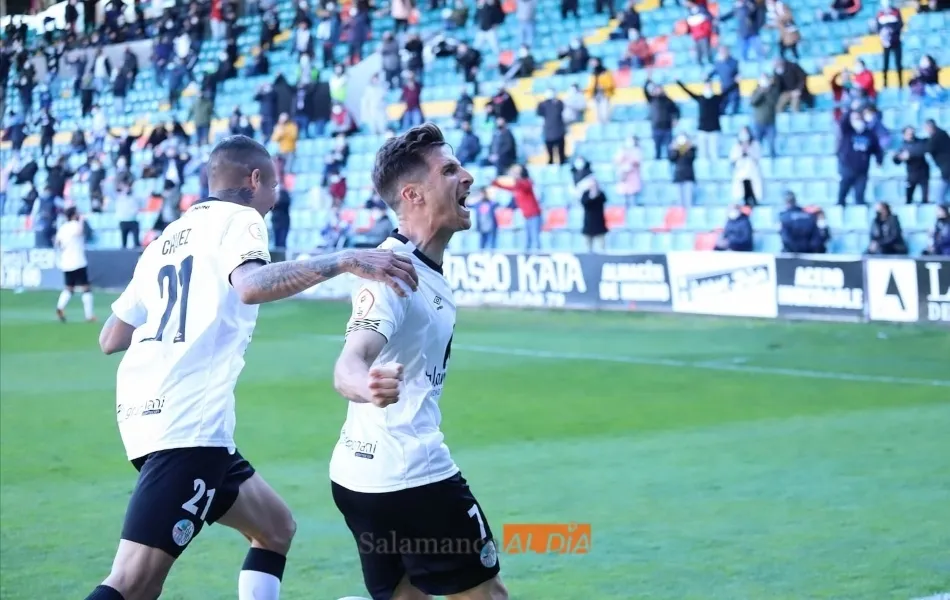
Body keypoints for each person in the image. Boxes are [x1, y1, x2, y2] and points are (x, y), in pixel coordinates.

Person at [85, 135, 420, 600]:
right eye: (275, 187)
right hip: (187, 424)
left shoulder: (165, 239)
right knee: (133, 583)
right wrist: (345, 259)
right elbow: (249, 285)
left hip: (146, 417)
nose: (275, 198)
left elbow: (111, 337)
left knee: (275, 528)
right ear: (254, 179)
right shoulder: (241, 218)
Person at [330, 123, 508, 600]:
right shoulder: (393, 272)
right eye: (449, 170)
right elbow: (350, 361)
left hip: (358, 477)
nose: (467, 176)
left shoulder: (418, 268)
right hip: (413, 475)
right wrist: (365, 385)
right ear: (413, 194)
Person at [55, 206, 95, 323]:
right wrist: (82, 220)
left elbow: (57, 242)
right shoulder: (75, 225)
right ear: (74, 215)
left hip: (66, 262)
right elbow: (80, 231)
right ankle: (89, 315)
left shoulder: (63, 227)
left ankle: (60, 307)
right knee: (86, 288)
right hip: (78, 261)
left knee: (69, 288)